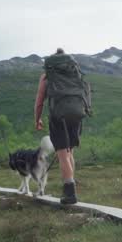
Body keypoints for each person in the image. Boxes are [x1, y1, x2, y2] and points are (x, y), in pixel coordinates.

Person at [33, 48, 91, 205]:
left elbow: (39, 102)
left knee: (62, 154)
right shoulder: (75, 74)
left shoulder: (47, 76)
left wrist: (37, 120)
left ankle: (69, 193)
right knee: (69, 152)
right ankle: (71, 186)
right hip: (76, 116)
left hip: (58, 117)